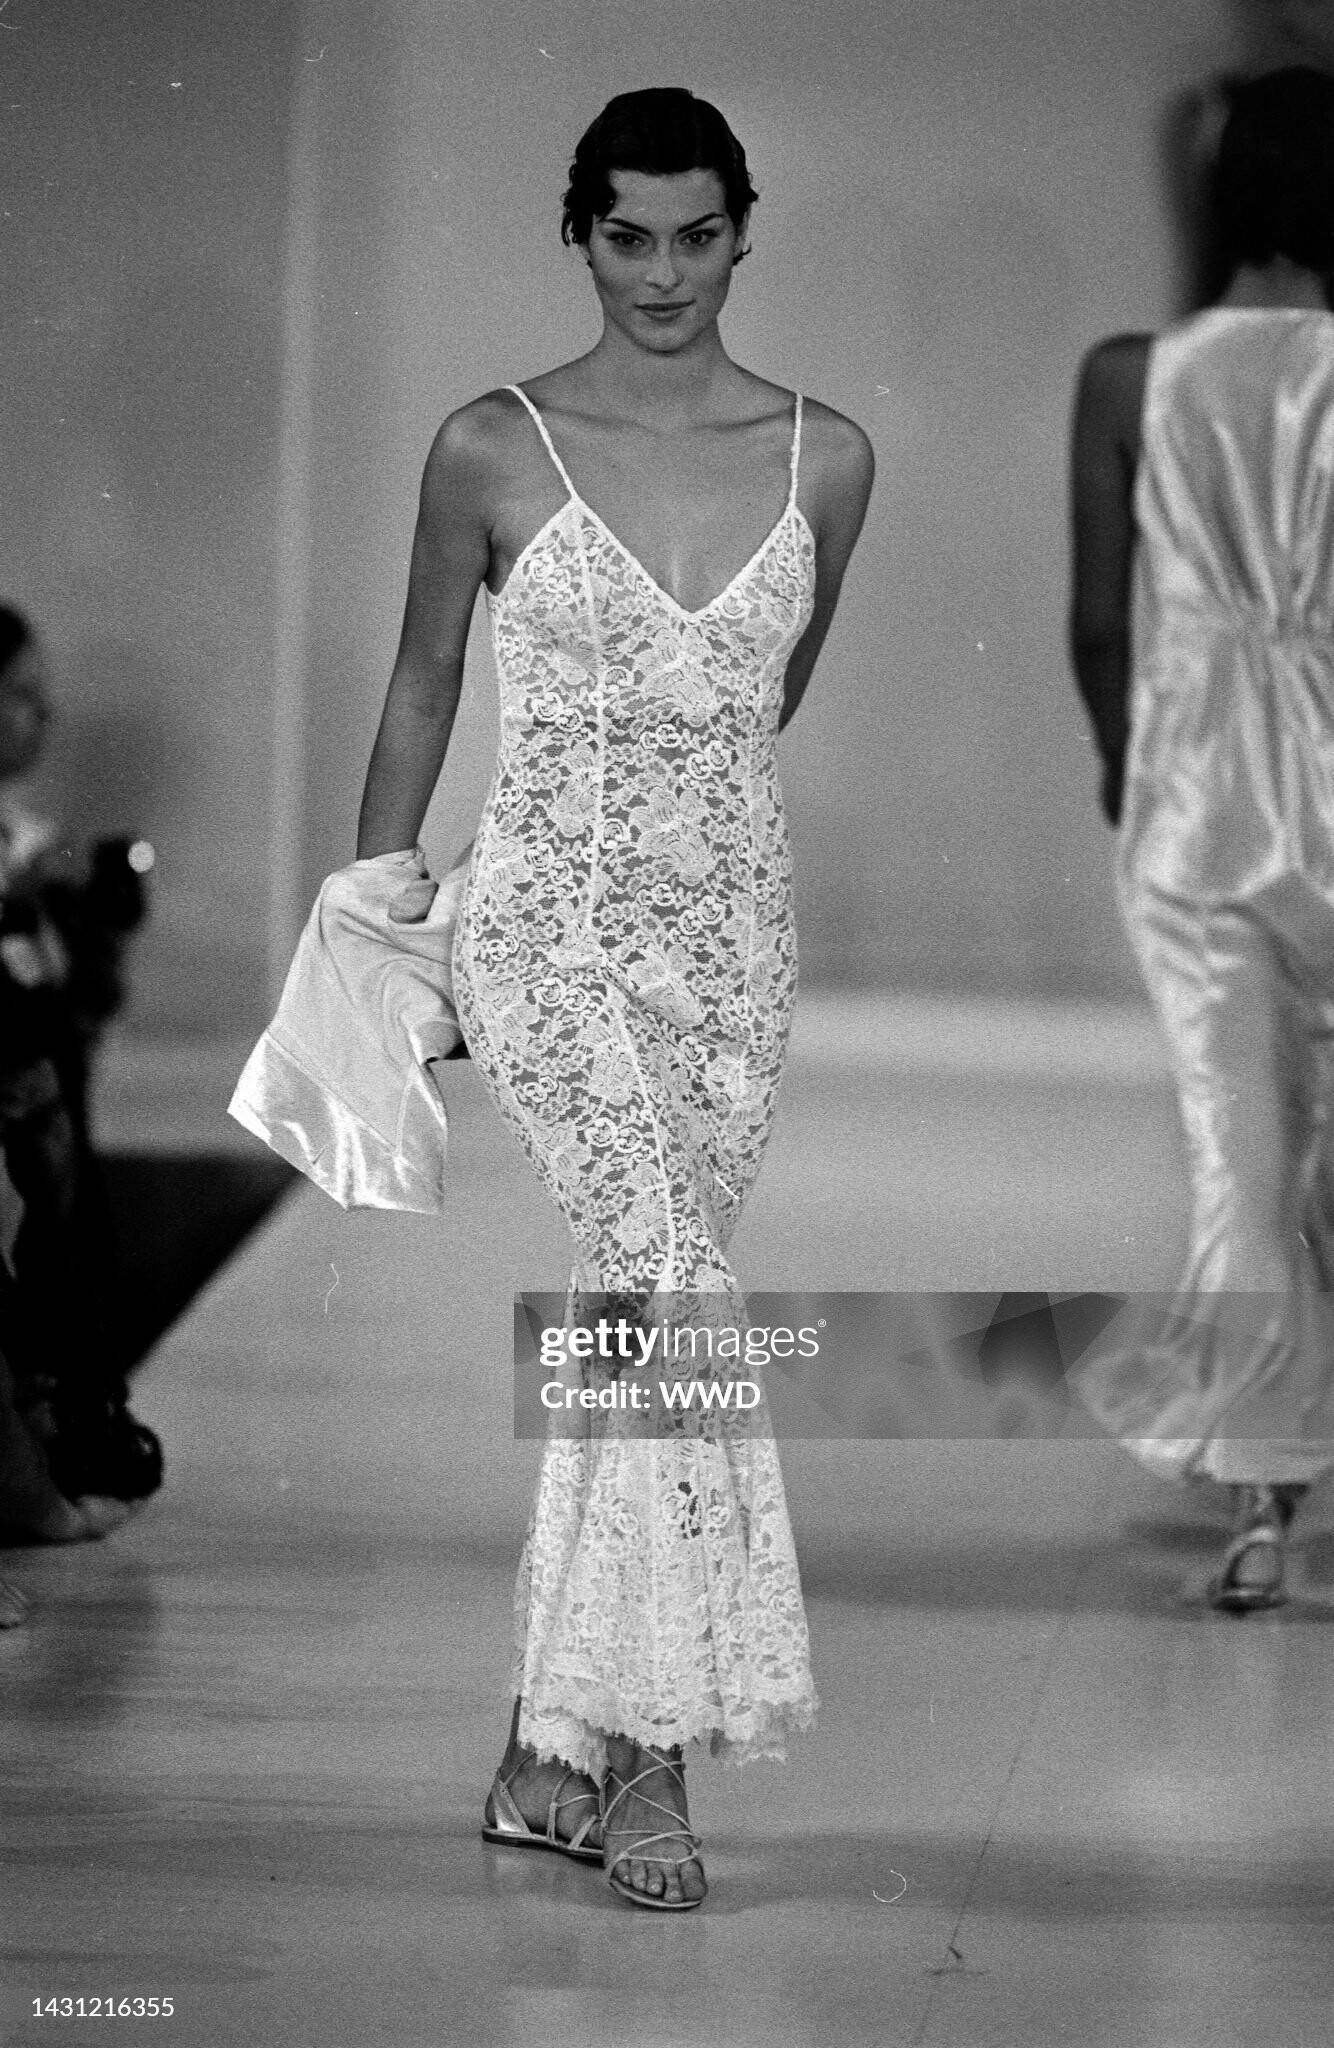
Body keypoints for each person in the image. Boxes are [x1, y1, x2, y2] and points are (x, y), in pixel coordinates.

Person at [355, 88, 873, 1904]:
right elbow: (422, 685)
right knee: (669, 1300)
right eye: (626, 236)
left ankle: (540, 1756)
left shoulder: (826, 457)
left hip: (732, 954)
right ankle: (654, 1762)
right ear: (577, 235)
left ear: (743, 234)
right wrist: (380, 918)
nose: (662, 274)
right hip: (550, 930)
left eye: (696, 236)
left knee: (622, 1331)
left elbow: (759, 698)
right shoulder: (489, 445)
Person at [1068, 68, 1334, 1612]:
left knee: (1243, 1156)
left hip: (1200, 814)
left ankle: (1260, 1510)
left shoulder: (1130, 376)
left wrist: (1129, 771)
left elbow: (1097, 622)